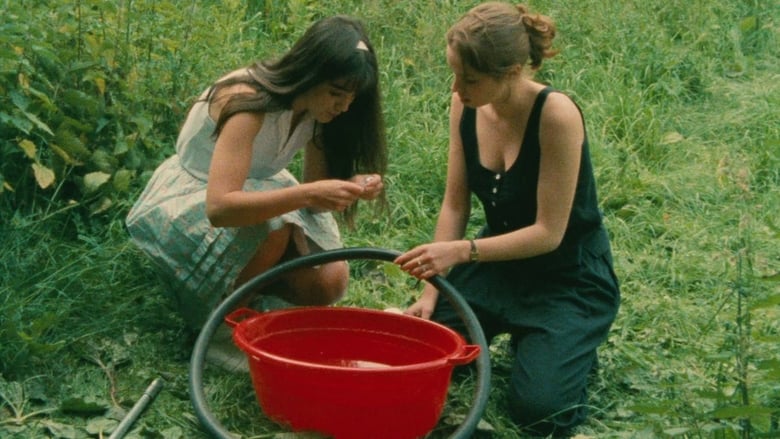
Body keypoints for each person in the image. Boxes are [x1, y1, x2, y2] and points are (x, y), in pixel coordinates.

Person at [394, 2, 620, 436]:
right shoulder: (464, 106)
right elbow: (455, 203)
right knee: (420, 356)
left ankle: (565, 343)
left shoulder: (556, 115)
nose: (458, 88)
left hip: (565, 277)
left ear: (513, 71)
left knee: (539, 410)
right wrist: (430, 289)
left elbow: (548, 233)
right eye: (454, 73)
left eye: (471, 79)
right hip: (496, 265)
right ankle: (529, 339)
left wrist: (461, 252)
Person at [126, 15, 387, 331]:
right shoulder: (248, 100)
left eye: (351, 98)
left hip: (257, 189)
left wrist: (349, 186)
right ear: (311, 72)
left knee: (330, 281)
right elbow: (220, 208)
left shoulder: (319, 112)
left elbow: (315, 200)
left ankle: (253, 294)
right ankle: (221, 321)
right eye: (336, 94)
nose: (343, 107)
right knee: (275, 227)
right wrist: (306, 195)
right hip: (196, 194)